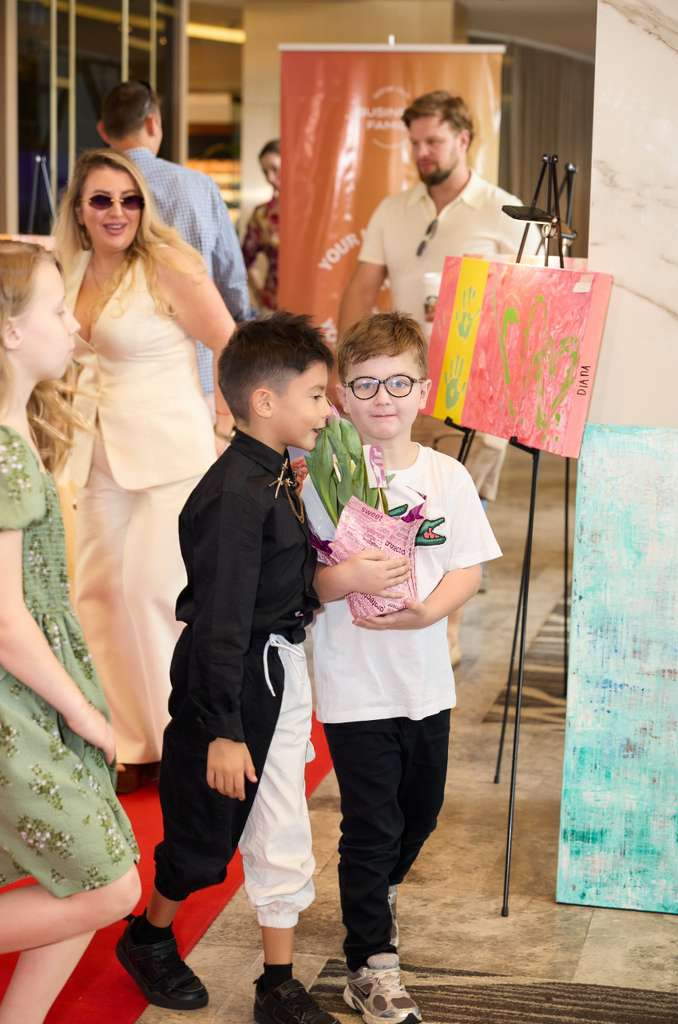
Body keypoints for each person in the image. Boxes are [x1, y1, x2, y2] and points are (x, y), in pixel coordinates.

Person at [116, 312, 338, 1024]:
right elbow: (219, 622)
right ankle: (149, 936)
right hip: (230, 686)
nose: (326, 409)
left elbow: (278, 584)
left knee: (281, 826)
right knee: (204, 837)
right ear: (265, 401)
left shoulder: (274, 474)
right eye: (315, 395)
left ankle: (278, 984)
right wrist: (223, 730)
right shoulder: (236, 494)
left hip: (277, 672)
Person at [302, 312, 501, 1024]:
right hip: (355, 684)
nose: (382, 398)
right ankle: (372, 965)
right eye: (364, 384)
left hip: (426, 681)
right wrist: (347, 576)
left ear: (422, 390)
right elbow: (305, 584)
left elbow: (469, 567)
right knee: (372, 824)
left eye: (397, 383)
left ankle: (378, 893)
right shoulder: (322, 479)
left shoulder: (446, 476)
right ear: (342, 394)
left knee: (422, 813)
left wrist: (428, 614)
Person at [54, 148, 235, 793]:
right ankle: (131, 743)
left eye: (130, 200)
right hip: (96, 459)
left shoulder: (168, 264)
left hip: (171, 460)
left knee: (156, 595)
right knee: (97, 595)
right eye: (102, 200)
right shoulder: (69, 270)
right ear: (79, 210)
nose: (118, 212)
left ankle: (180, 739)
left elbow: (228, 342)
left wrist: (226, 426)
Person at [0, 240, 140, 1024]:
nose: (73, 325)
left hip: (32, 688)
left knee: (88, 877)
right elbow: (3, 619)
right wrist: (84, 713)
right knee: (110, 885)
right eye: (56, 310)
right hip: (17, 697)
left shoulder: (16, 434)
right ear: (10, 330)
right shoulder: (5, 452)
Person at [338, 90, 530, 663]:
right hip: (396, 387)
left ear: (464, 139)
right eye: (415, 142)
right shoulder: (393, 210)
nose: (423, 151)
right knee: (393, 500)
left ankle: (444, 629)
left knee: (453, 507)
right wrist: (344, 367)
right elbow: (361, 288)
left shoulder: (505, 211)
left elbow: (532, 308)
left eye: (434, 141)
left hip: (475, 392)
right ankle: (393, 610)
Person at [98, 79, 249, 421]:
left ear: (103, 130)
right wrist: (234, 320)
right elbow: (231, 278)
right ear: (153, 123)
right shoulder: (199, 186)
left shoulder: (95, 197)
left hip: (120, 373)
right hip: (200, 366)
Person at [242, 139, 280, 312]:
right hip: (276, 308)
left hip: (315, 301)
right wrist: (260, 293)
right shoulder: (262, 215)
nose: (269, 178)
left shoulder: (315, 211)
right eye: (265, 172)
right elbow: (245, 259)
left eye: (274, 169)